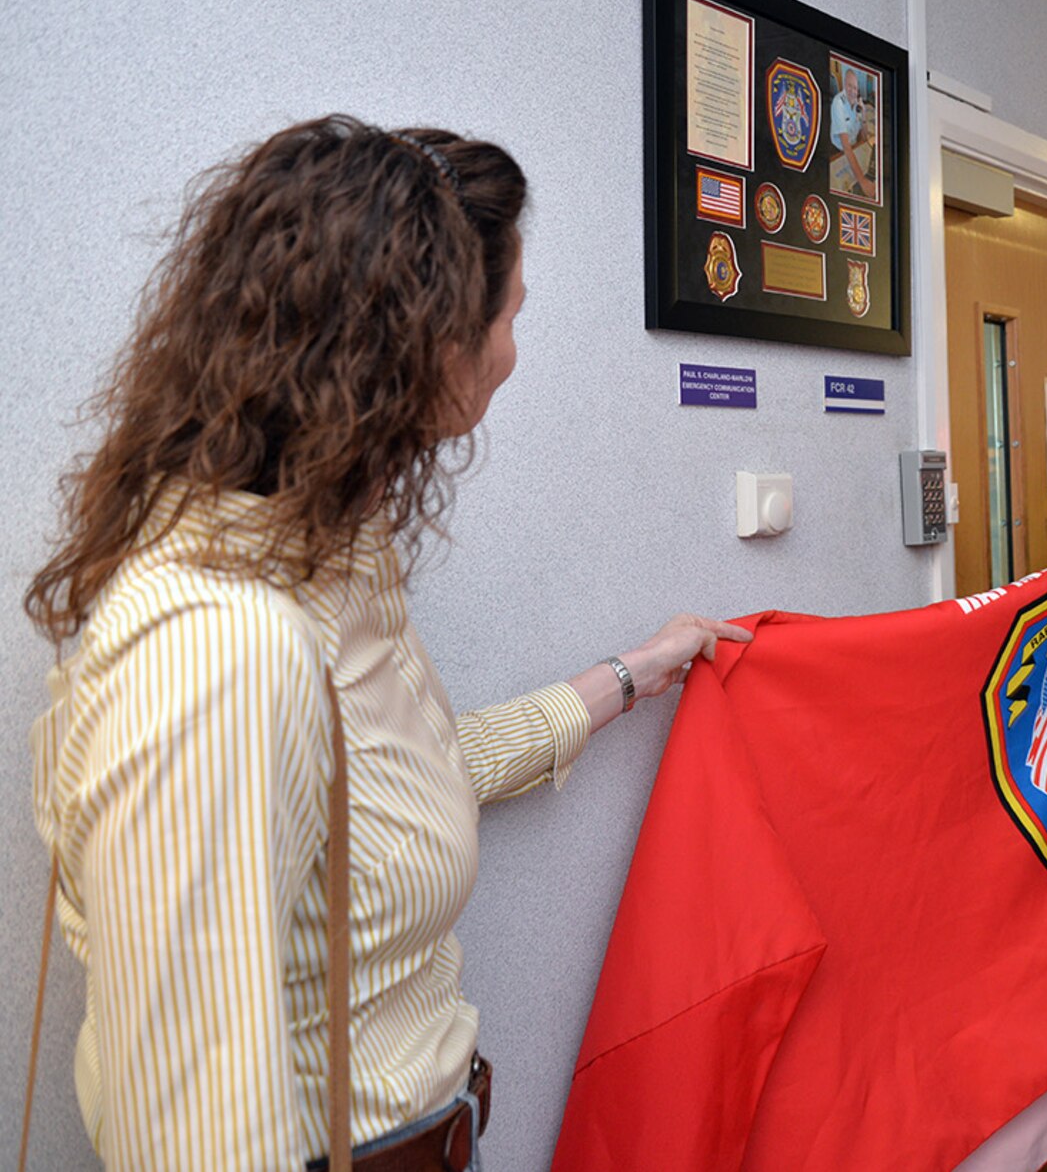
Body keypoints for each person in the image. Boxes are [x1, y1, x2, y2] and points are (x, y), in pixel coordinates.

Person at [24, 116, 750, 1170]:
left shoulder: (330, 551)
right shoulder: (216, 647)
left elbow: (394, 783)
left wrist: (633, 672)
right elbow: (186, 1132)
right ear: (430, 346)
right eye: (508, 316)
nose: (514, 350)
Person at [828, 64, 876, 201]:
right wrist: (863, 182)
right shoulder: (838, 104)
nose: (852, 91)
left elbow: (864, 137)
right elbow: (846, 147)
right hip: (838, 151)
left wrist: (864, 115)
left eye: (855, 88)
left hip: (854, 148)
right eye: (849, 86)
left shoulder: (857, 104)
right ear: (844, 84)